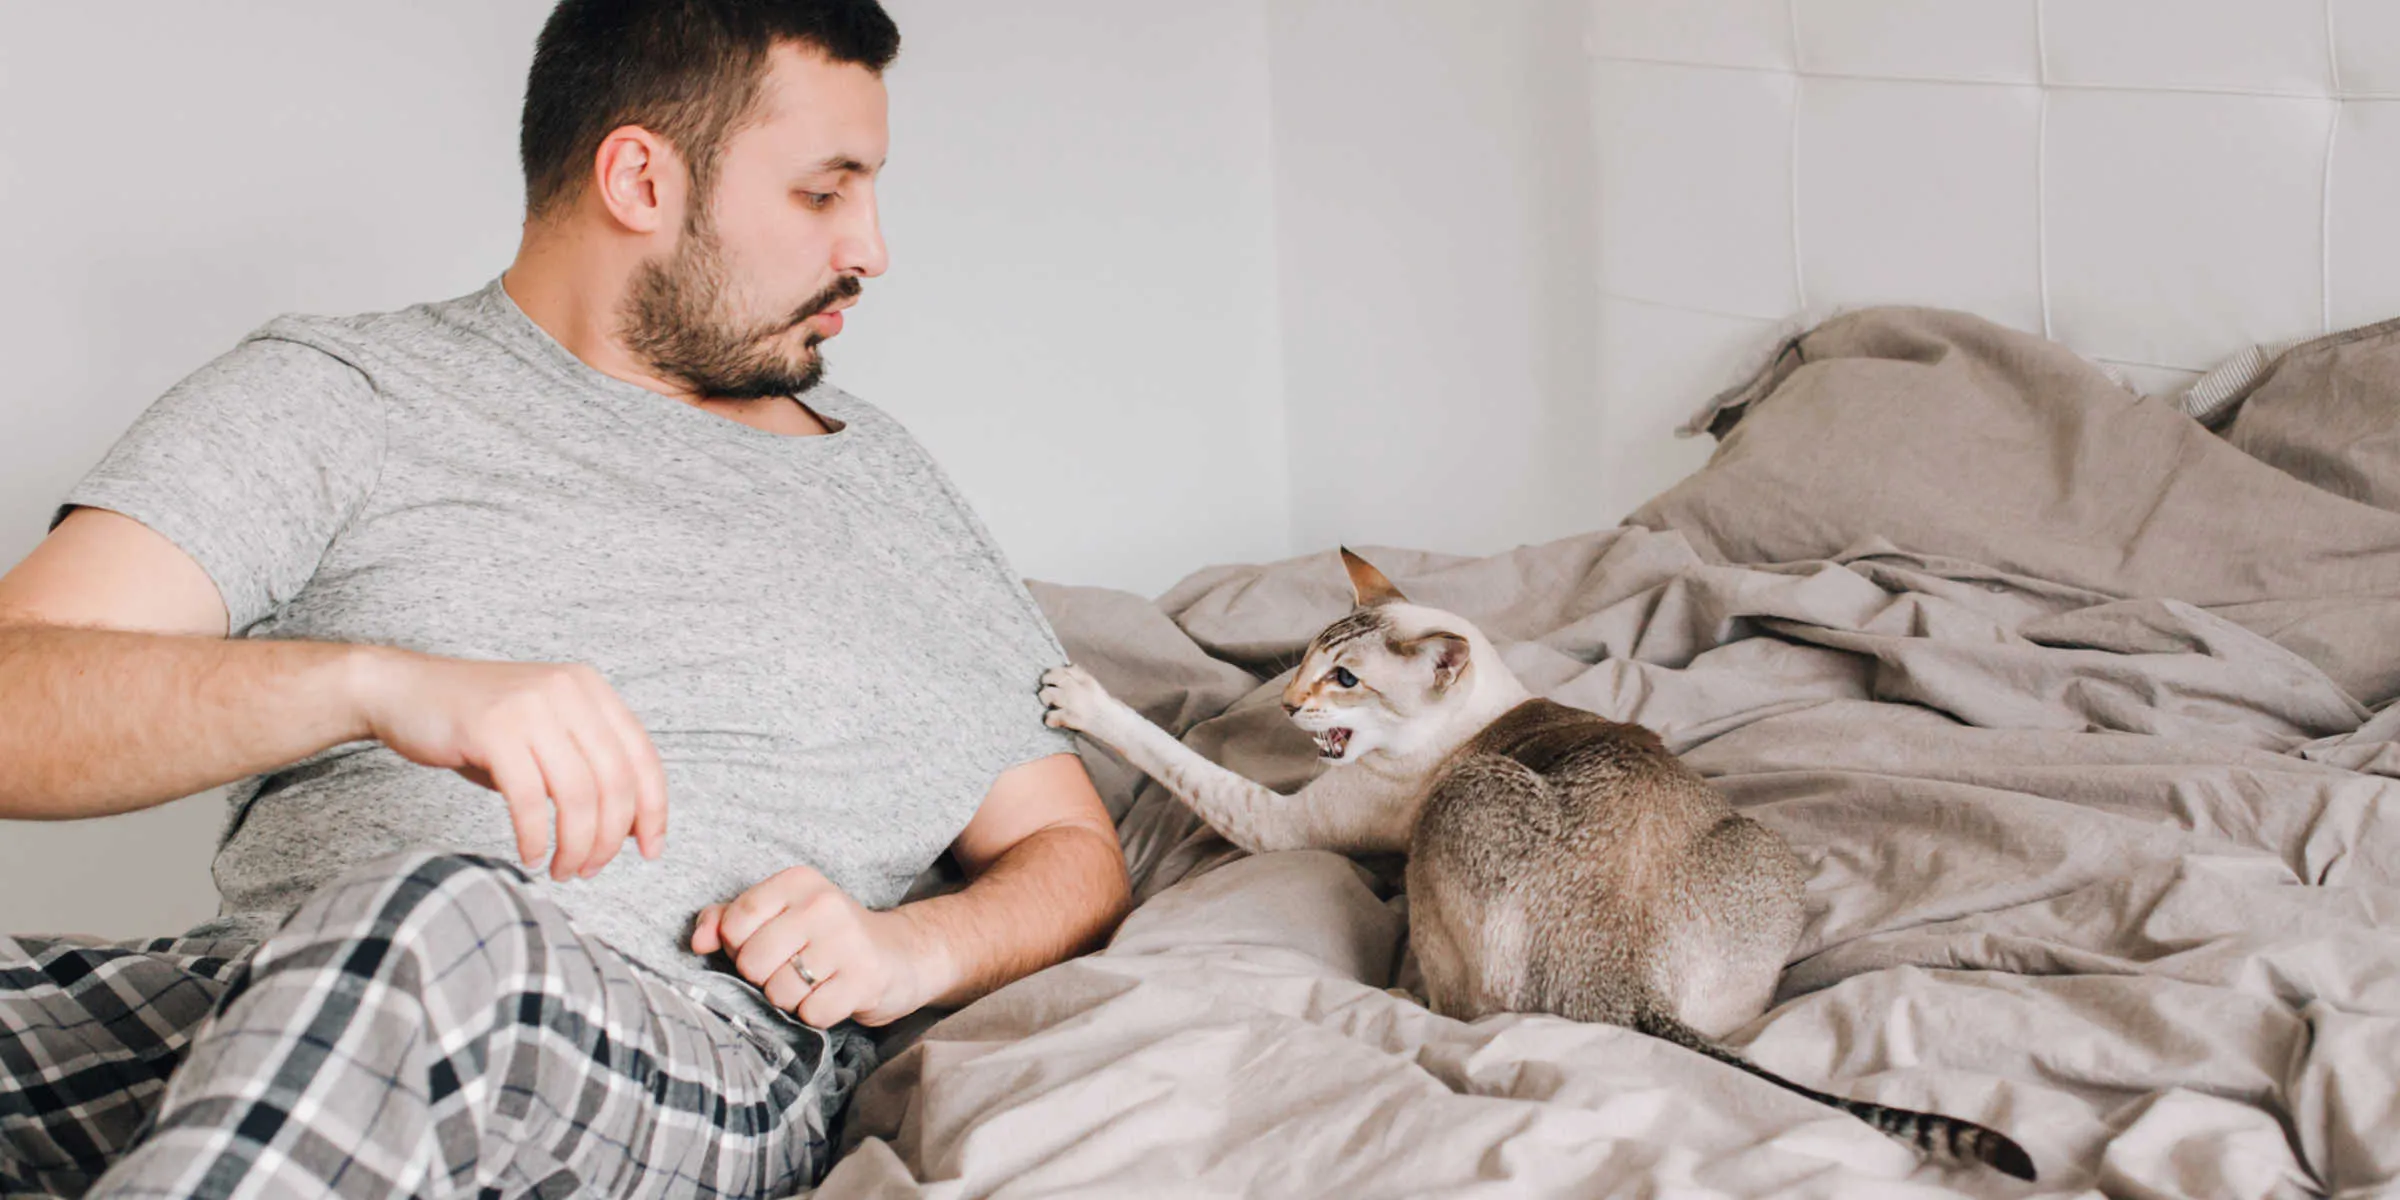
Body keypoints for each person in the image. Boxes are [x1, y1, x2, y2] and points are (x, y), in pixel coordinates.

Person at [0, 1, 1131, 1195]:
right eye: (823, 193)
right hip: (261, 991)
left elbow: (1070, 846)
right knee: (384, 951)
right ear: (640, 179)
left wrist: (912, 949)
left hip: (679, 1048)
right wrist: (373, 682)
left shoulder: (880, 484)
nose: (872, 247)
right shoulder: (339, 398)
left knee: (435, 926)